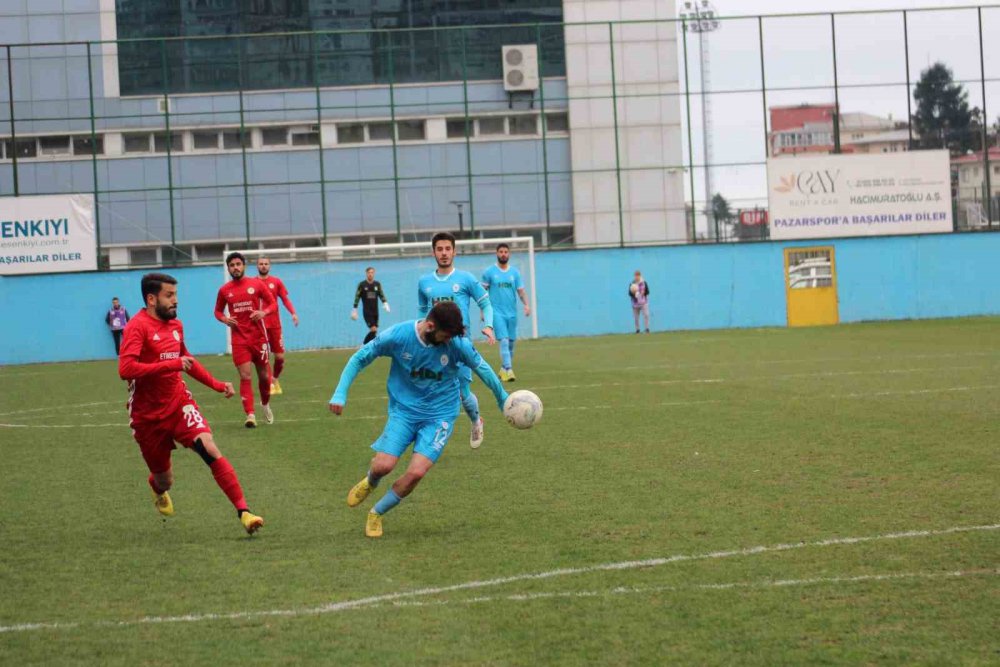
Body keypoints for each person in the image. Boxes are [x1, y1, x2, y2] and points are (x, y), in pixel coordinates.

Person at [329, 301, 508, 538]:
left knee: (416, 473)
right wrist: (340, 393)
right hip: (404, 411)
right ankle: (371, 481)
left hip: (440, 415)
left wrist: (503, 400)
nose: (448, 341)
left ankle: (376, 513)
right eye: (445, 336)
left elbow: (482, 369)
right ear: (430, 326)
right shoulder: (399, 336)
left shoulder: (457, 343)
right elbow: (361, 357)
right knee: (383, 466)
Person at [118, 272, 264, 535]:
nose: (176, 301)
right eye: (169, 295)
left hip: (178, 404)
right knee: (165, 480)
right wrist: (169, 365)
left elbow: (186, 360)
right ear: (151, 299)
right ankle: (157, 487)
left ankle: (244, 512)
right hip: (147, 416)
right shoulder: (136, 327)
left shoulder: (176, 326)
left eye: (176, 295)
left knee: (208, 447)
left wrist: (218, 384)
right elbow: (126, 368)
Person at [417, 231, 496, 449]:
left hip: (460, 347)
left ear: (454, 251)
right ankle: (426, 435)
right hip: (433, 348)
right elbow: (422, 315)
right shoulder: (424, 283)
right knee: (429, 390)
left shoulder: (466, 279)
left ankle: (476, 420)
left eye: (447, 249)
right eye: (440, 249)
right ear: (433, 252)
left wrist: (488, 325)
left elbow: (486, 304)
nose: (444, 253)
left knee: (463, 394)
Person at [215, 251, 276, 428]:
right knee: (245, 375)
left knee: (264, 376)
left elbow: (272, 303)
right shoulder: (224, 290)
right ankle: (250, 414)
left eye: (238, 264)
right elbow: (217, 311)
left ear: (244, 266)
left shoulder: (256, 284)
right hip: (239, 339)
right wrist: (225, 319)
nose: (235, 268)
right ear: (228, 268)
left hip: (259, 338)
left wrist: (263, 312)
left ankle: (265, 404)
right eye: (232, 265)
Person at [481, 243, 530, 382]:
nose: (503, 254)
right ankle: (509, 369)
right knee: (503, 339)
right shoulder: (489, 272)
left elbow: (521, 291)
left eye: (506, 252)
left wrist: (526, 305)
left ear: (509, 254)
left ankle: (503, 369)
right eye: (501, 252)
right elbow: (482, 293)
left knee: (511, 342)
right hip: (496, 312)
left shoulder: (514, 273)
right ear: (497, 254)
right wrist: (483, 310)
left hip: (512, 313)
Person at [255, 256, 299, 396]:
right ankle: (269, 384)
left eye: (266, 264)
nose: (263, 266)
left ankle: (274, 379)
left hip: (275, 325)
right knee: (264, 356)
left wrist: (293, 313)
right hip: (259, 326)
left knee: (279, 358)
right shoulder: (252, 283)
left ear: (270, 266)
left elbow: (285, 299)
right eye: (261, 264)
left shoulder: (276, 282)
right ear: (257, 266)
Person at [351, 266, 390, 345]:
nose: (370, 274)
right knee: (373, 329)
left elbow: (381, 294)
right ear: (366, 274)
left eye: (372, 273)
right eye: (369, 273)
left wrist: (385, 303)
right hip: (367, 311)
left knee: (374, 331)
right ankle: (364, 345)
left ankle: (370, 348)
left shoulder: (377, 284)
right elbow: (357, 296)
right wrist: (355, 309)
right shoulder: (362, 285)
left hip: (375, 311)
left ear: (374, 274)